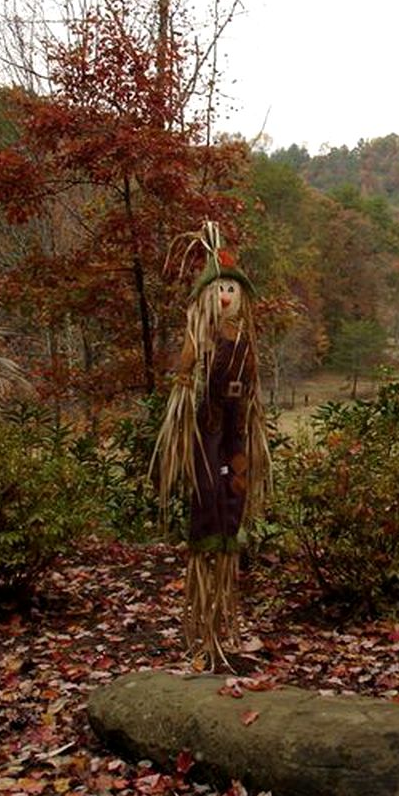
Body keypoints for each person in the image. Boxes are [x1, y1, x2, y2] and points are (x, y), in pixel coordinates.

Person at [155, 223, 270, 670]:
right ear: (207, 294)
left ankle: (223, 629)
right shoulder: (199, 339)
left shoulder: (244, 341)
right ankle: (204, 632)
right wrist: (187, 384)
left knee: (233, 486)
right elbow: (185, 377)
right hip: (207, 431)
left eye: (231, 289)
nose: (226, 296)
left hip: (236, 433)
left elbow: (252, 387)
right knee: (208, 491)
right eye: (219, 288)